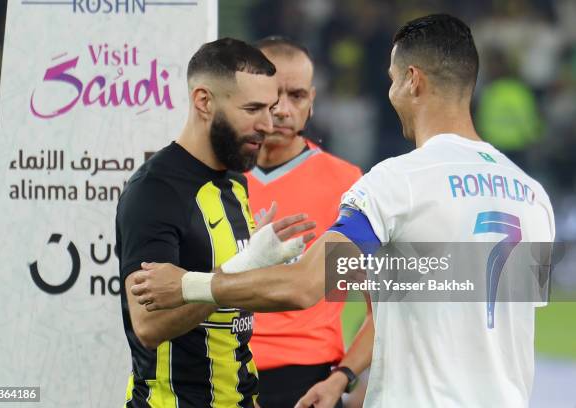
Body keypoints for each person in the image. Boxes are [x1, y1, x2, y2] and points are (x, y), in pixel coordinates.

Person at [131, 15, 555, 408]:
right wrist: (347, 375)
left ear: (412, 81)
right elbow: (455, 285)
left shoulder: (397, 182)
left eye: (391, 81)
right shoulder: (534, 197)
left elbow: (305, 286)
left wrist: (188, 286)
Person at [115, 37, 316, 408]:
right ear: (204, 102)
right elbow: (148, 326)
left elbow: (234, 309)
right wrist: (243, 266)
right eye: (253, 109)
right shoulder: (155, 191)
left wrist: (264, 268)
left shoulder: (233, 180)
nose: (268, 124)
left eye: (270, 109)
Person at [245, 36, 373, 408]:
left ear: (312, 102)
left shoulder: (349, 185)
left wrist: (343, 378)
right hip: (218, 373)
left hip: (306, 380)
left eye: (297, 96)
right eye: (273, 95)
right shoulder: (213, 178)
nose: (283, 110)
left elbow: (382, 309)